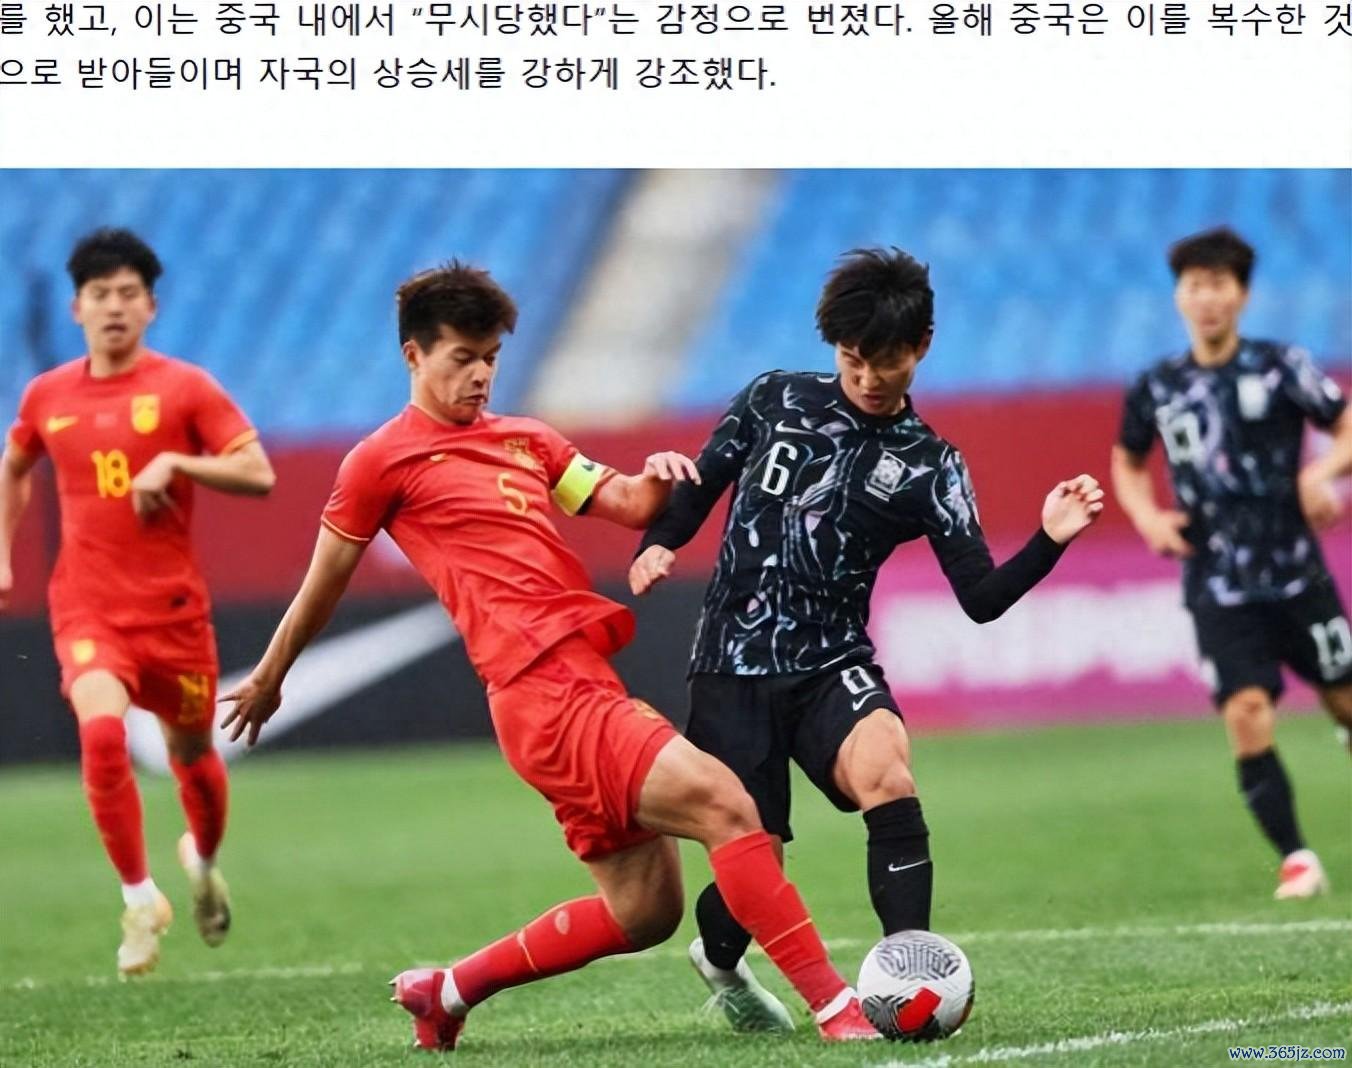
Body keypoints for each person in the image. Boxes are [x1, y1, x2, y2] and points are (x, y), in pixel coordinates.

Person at [220, 261, 880, 1051]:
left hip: (581, 681)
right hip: (539, 689)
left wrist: (660, 477)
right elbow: (323, 582)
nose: (481, 375)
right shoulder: (379, 461)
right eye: (462, 358)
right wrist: (270, 675)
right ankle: (838, 1009)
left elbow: (627, 502)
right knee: (727, 805)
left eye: (491, 357)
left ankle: (447, 992)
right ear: (413, 356)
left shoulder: (527, 441)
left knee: (646, 912)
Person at [629, 247, 1103, 1033]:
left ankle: (909, 977)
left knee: (888, 772)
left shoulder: (931, 466)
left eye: (887, 360)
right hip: (732, 663)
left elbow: (981, 599)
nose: (869, 376)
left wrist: (1048, 540)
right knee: (756, 859)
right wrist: (659, 543)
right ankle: (719, 958)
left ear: (922, 346)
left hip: (831, 661)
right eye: (853, 358)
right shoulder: (773, 397)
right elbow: (702, 483)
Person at [0, 228, 275, 976]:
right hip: (87, 607)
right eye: (100, 295)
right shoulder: (47, 395)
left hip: (172, 614)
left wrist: (178, 462)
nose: (114, 307)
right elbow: (15, 463)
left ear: (151, 306)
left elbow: (259, 473)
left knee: (193, 759)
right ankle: (138, 898)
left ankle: (203, 861)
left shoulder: (185, 388)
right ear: (77, 308)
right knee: (100, 735)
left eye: (128, 294)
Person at [1111, 226, 1352, 900]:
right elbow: (1127, 460)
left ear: (1242, 294)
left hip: (1296, 573)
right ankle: (1297, 858)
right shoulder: (1157, 385)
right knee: (1246, 710)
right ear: (1180, 297)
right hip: (1216, 581)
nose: (1207, 298)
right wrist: (1148, 517)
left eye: (1219, 284)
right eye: (1195, 285)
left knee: (1344, 701)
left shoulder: (1282, 365)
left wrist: (1320, 473)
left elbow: (1345, 427)